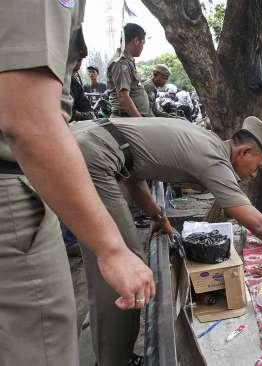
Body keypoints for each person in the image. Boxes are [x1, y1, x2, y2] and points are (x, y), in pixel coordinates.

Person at [70, 115, 262, 365]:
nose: (253, 175)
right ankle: (114, 361)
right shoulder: (214, 159)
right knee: (125, 271)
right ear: (244, 152)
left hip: (88, 139)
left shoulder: (205, 139)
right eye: (256, 167)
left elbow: (133, 170)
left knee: (123, 266)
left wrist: (157, 215)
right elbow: (259, 225)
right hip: (92, 155)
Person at [0, 2, 155, 366]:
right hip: (14, 188)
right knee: (43, 344)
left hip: (32, 166)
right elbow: (29, 121)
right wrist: (112, 248)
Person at [107, 23, 152, 117]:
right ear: (136, 41)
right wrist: (140, 121)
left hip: (132, 119)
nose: (143, 47)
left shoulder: (128, 61)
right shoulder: (121, 62)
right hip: (128, 119)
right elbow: (123, 97)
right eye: (143, 43)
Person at [71, 54, 95, 122]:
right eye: (90, 72)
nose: (91, 74)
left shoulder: (75, 83)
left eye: (80, 60)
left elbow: (87, 108)